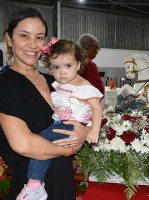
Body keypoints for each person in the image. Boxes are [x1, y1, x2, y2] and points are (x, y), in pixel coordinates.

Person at [0, 7, 90, 200]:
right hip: (32, 184)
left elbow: (82, 113)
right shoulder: (5, 83)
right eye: (24, 35)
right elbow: (22, 144)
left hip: (63, 178)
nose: (32, 45)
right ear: (9, 38)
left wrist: (85, 131)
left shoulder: (56, 80)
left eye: (39, 37)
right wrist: (69, 149)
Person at [17, 38, 103, 199]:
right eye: (56, 67)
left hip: (73, 125)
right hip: (60, 124)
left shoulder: (84, 88)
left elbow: (97, 109)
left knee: (39, 145)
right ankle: (36, 185)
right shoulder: (59, 84)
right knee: (42, 147)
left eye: (68, 66)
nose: (62, 71)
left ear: (78, 65)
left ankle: (34, 185)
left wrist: (93, 131)